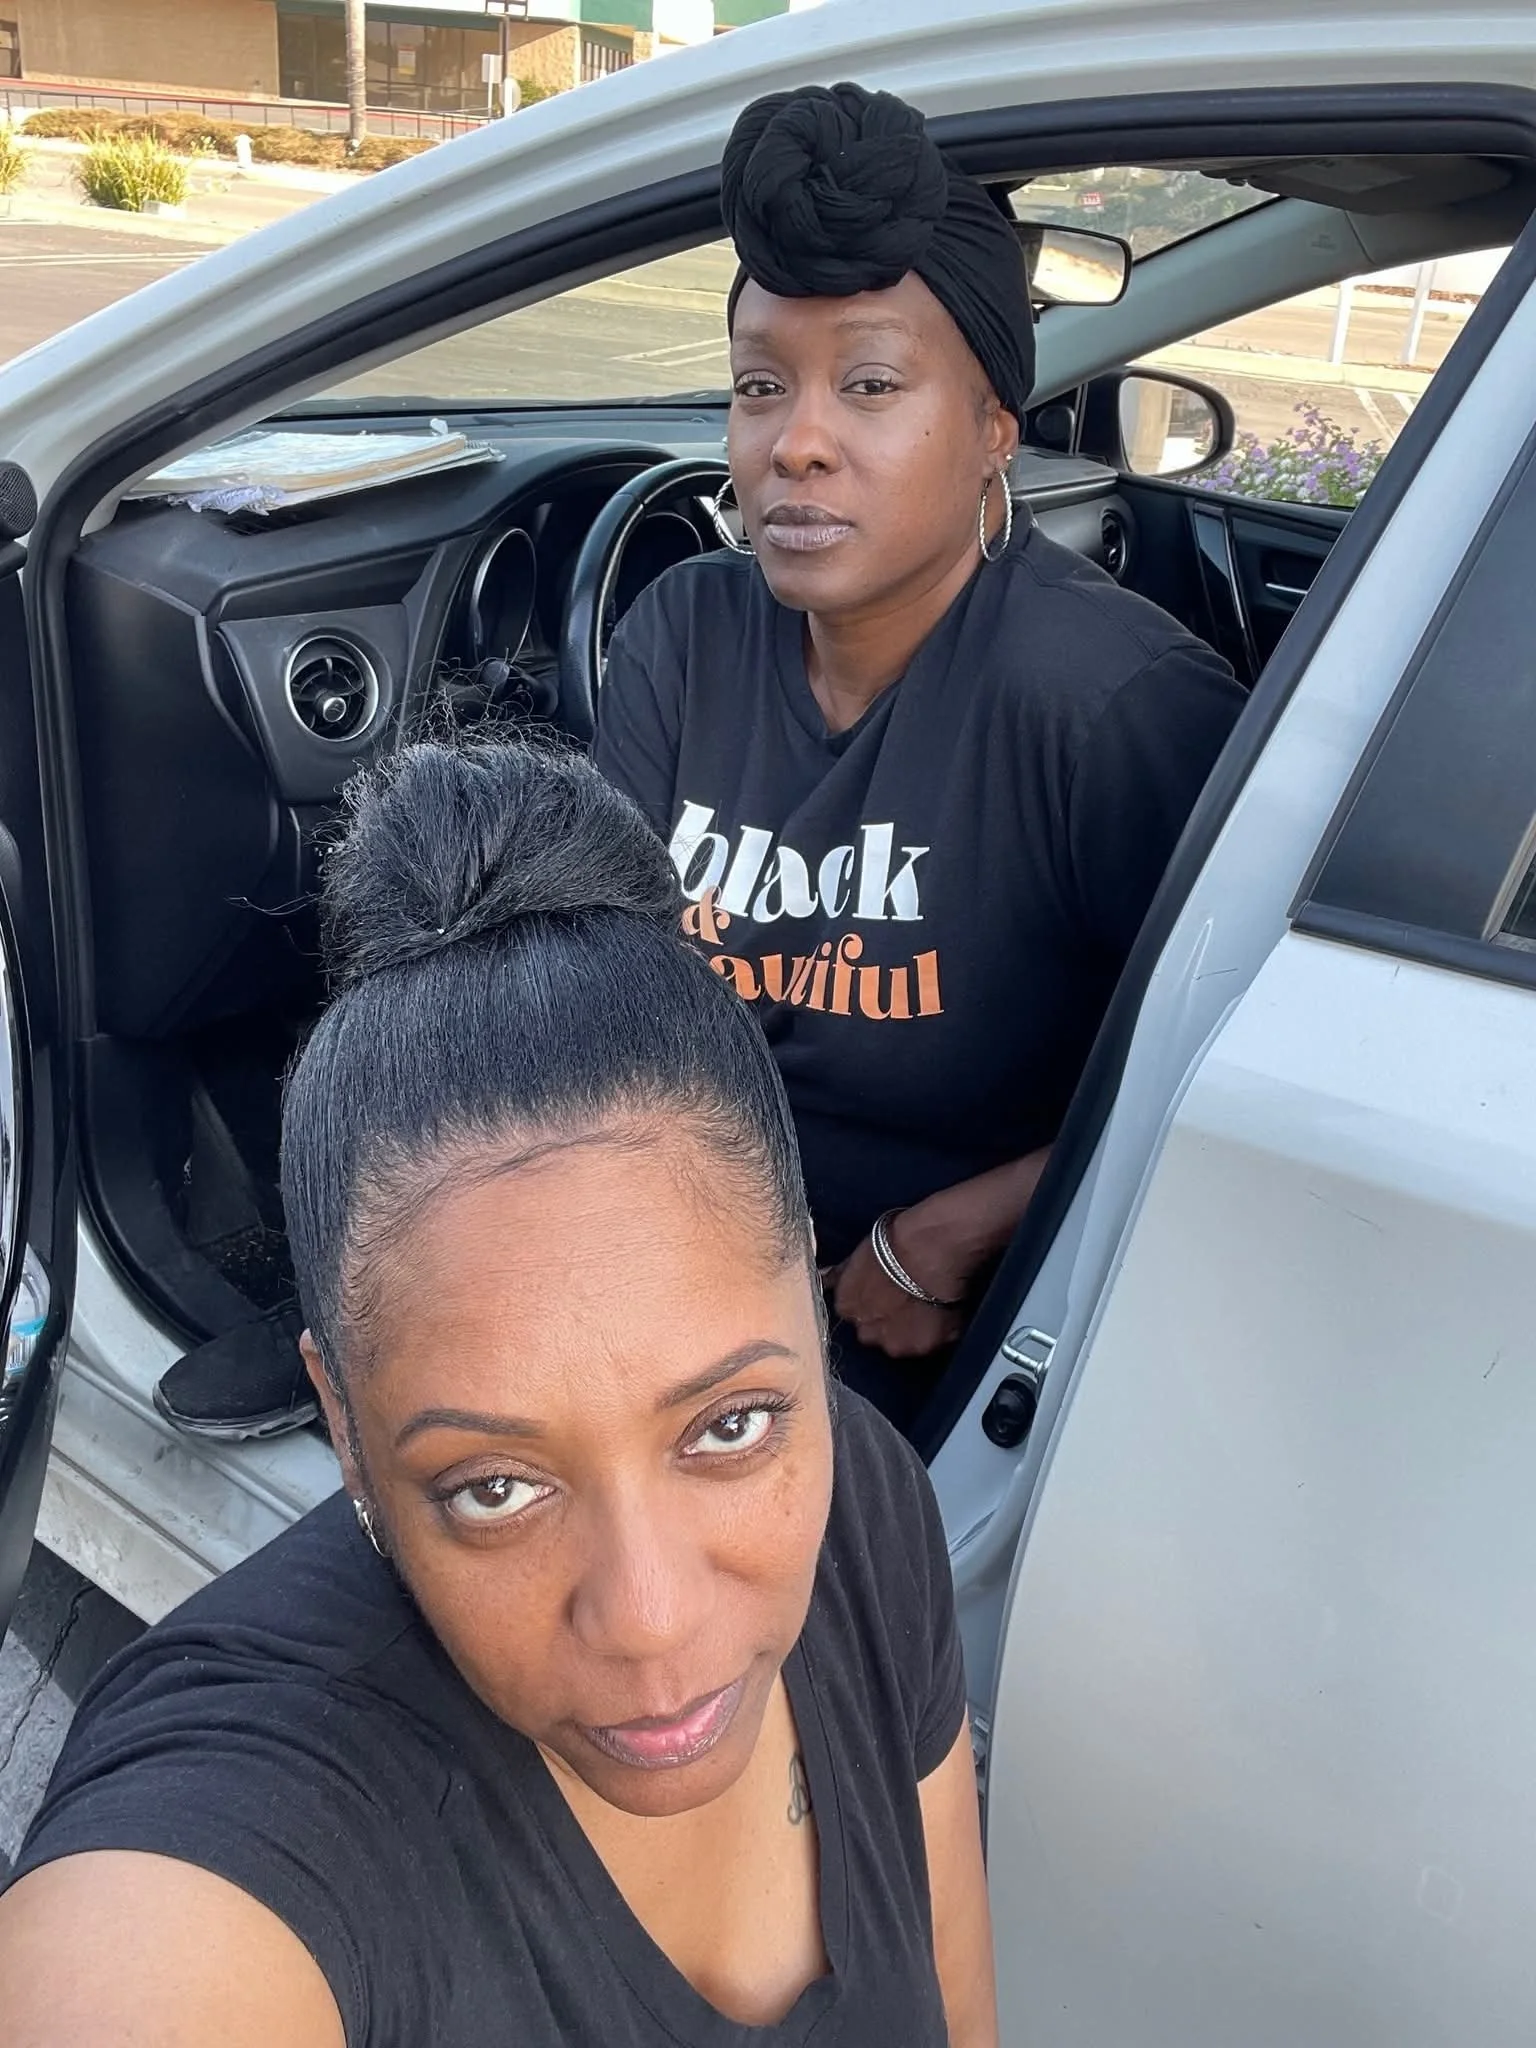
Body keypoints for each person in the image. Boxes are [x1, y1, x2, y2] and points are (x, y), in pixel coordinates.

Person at [0, 739, 997, 2048]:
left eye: (729, 1425)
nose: (646, 1621)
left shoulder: (861, 1499)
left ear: (810, 1322)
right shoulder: (256, 1821)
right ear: (345, 1433)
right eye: (496, 1488)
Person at [593, 82, 1246, 1434]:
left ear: (996, 428)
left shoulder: (1105, 704)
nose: (798, 442)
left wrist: (949, 1238)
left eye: (872, 386)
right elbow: (605, 996)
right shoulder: (685, 632)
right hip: (686, 1274)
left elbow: (1230, 1084)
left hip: (956, 1331)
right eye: (759, 388)